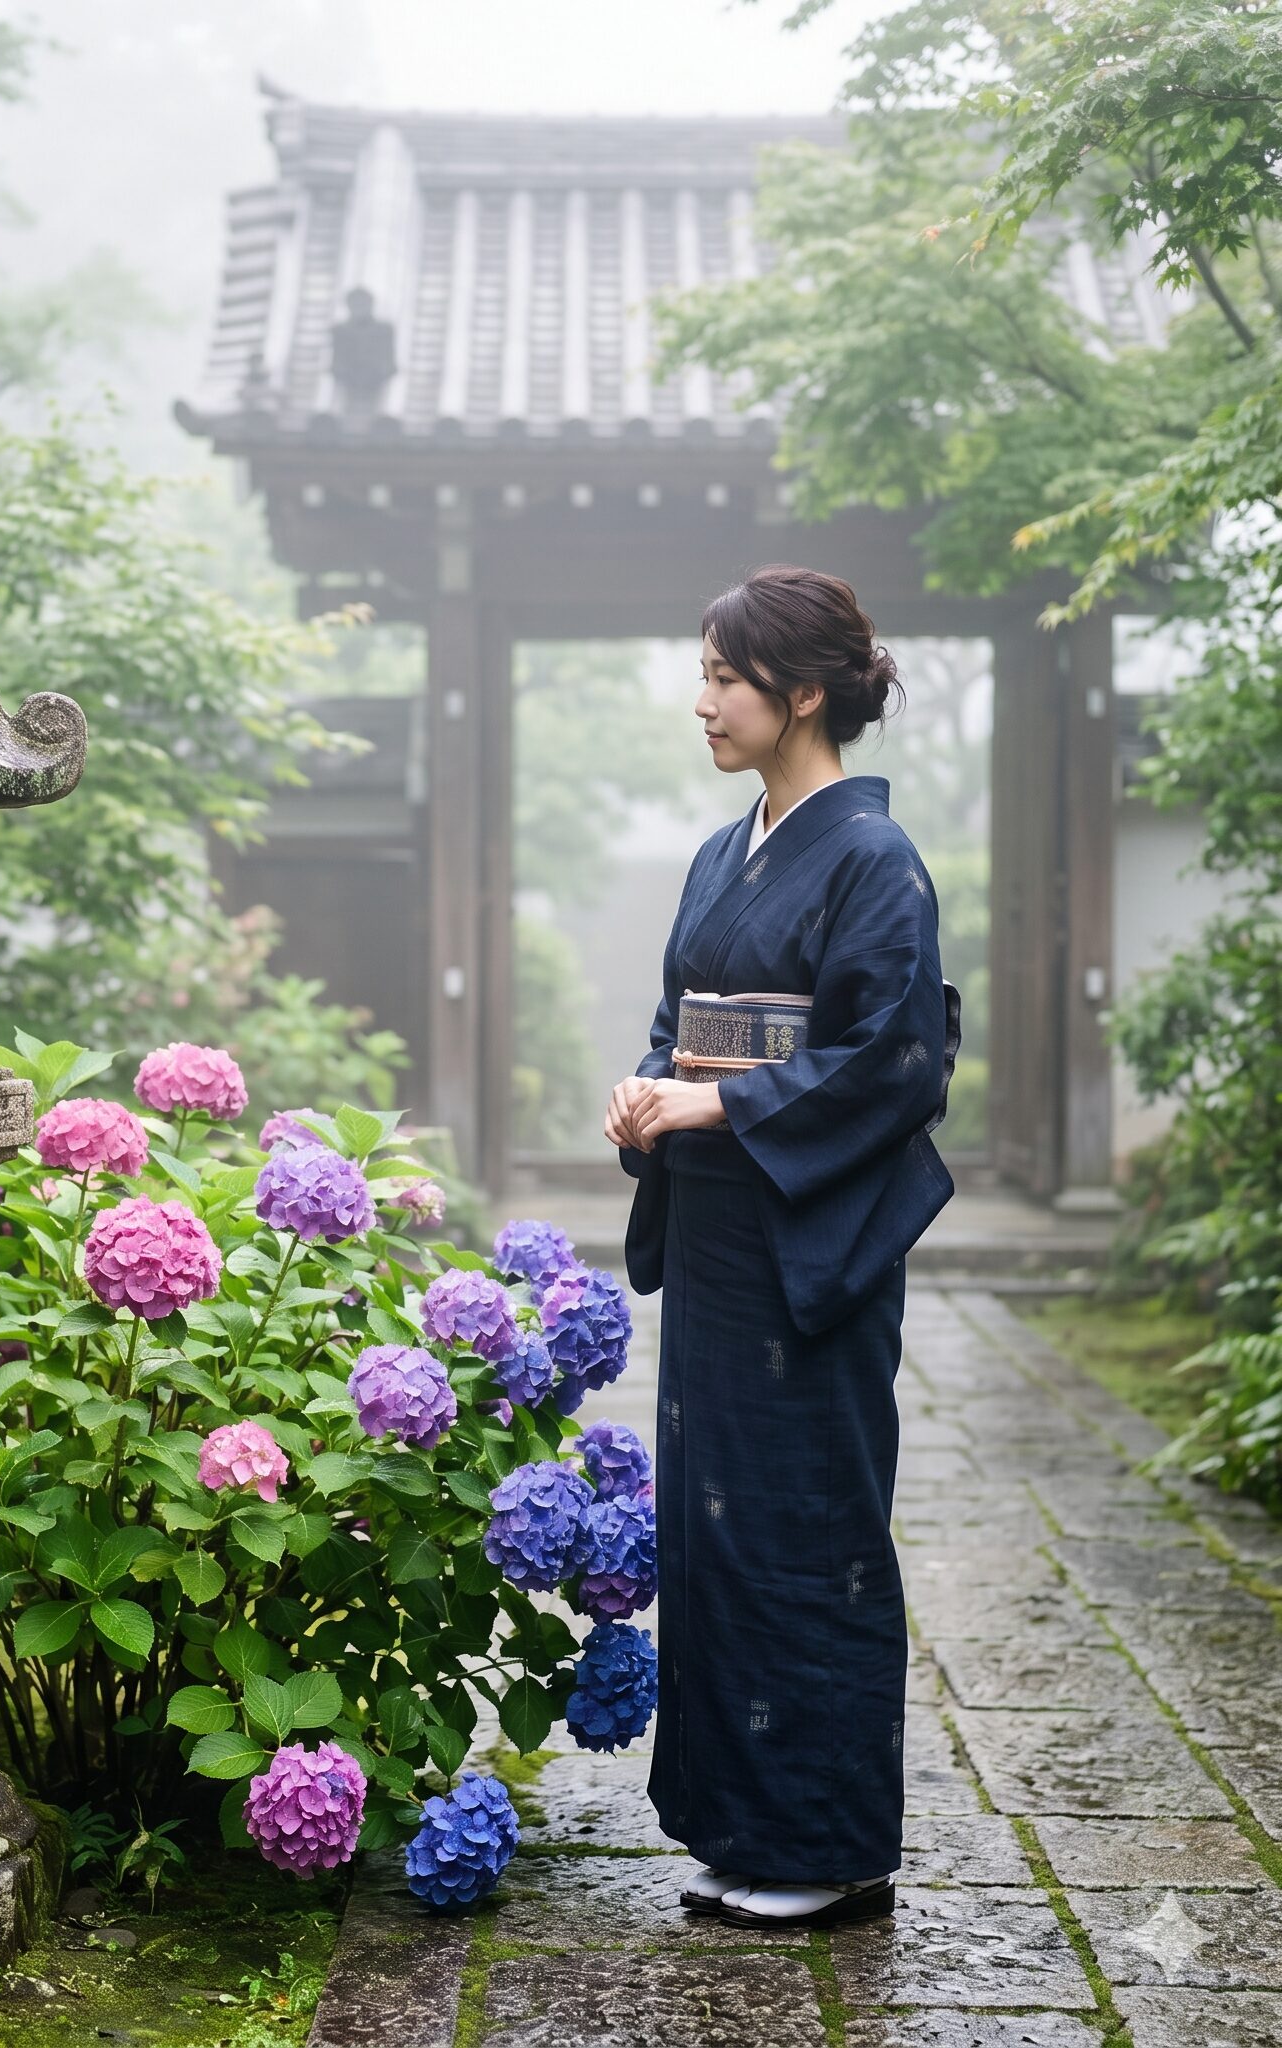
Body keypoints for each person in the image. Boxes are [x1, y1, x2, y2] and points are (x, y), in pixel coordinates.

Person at [604, 564, 954, 1931]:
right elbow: (679, 1019)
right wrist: (650, 1092)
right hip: (718, 1236)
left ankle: (828, 1845)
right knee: (717, 1523)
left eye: (724, 678)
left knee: (813, 1522)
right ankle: (743, 1824)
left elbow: (898, 1060)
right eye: (702, 675)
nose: (701, 702)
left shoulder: (874, 859)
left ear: (804, 693)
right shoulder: (719, 851)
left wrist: (721, 1102)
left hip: (812, 1244)